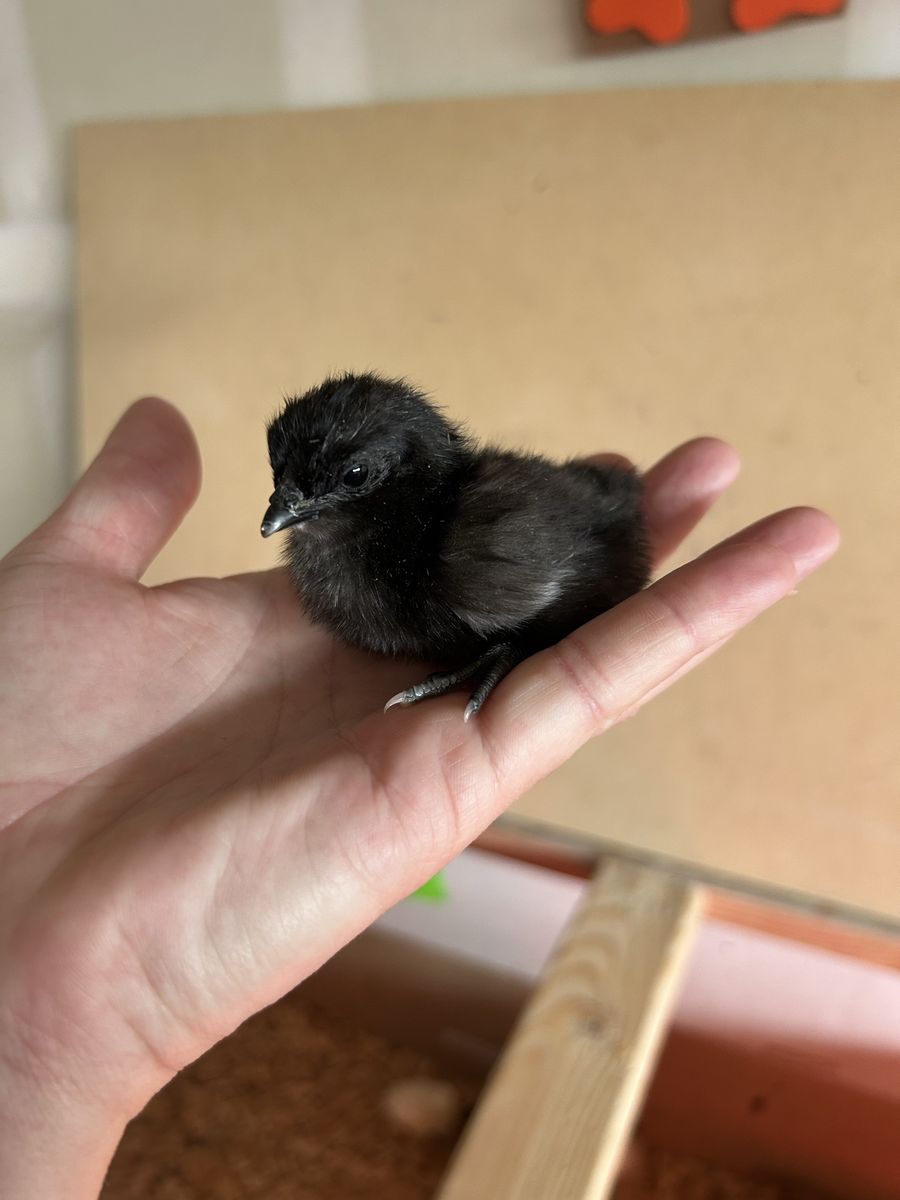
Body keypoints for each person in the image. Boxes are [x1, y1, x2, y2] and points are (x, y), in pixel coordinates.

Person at [0, 397, 838, 1197]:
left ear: (405, 470)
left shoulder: (480, 554)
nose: (288, 508)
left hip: (570, 538)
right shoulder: (339, 561)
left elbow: (607, 549)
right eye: (287, 479)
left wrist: (513, 646)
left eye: (347, 480)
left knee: (502, 583)